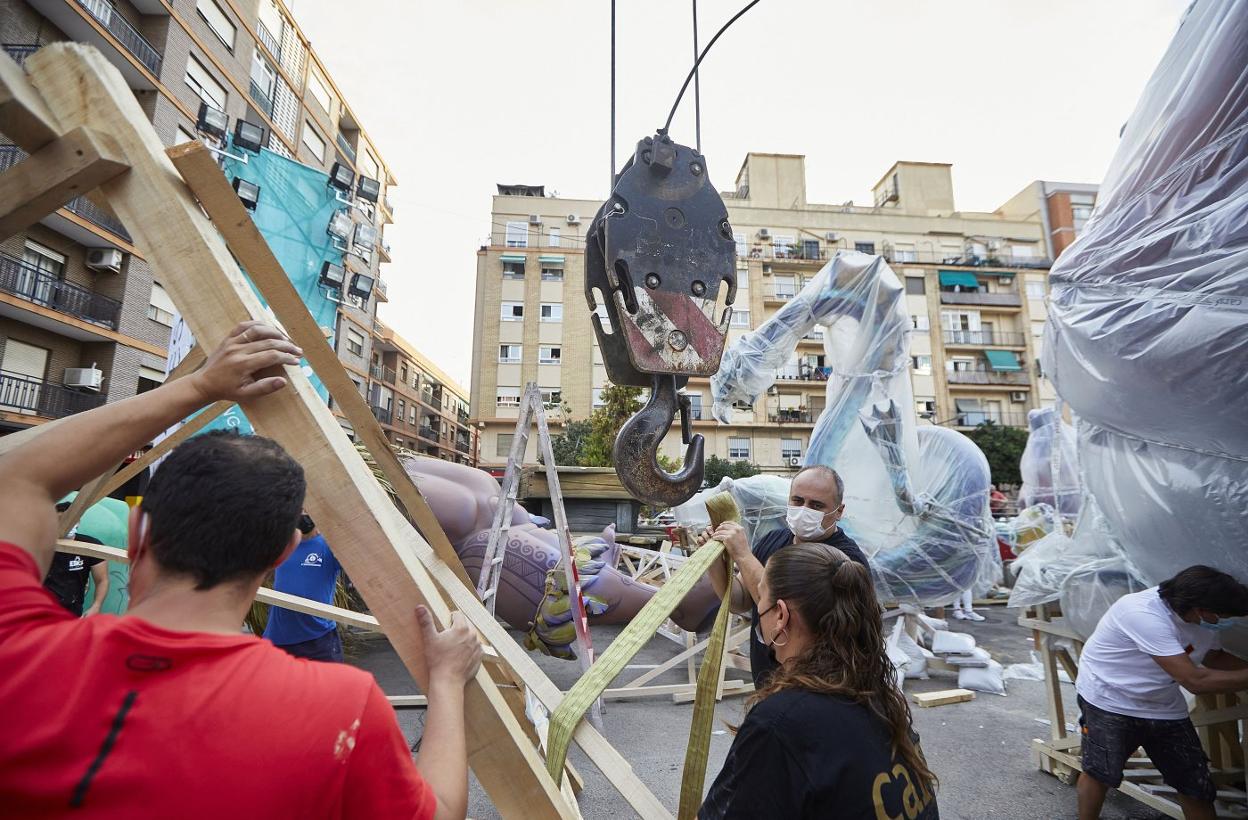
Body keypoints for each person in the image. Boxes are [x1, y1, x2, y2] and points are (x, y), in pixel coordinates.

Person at [0, 321, 481, 820]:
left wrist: (200, 387)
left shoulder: (18, 651)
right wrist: (445, 682)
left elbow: (16, 479)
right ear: (282, 552)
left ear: (138, 530)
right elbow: (440, 813)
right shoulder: (340, 712)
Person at [699, 542, 938, 819]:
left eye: (760, 595)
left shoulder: (780, 725)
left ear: (780, 615)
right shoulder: (878, 694)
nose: (757, 606)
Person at [1076, 565, 1248, 820]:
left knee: (1194, 782)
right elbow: (1195, 680)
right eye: (1220, 616)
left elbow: (1214, 657)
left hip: (1164, 703)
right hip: (1110, 699)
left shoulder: (1198, 617)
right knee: (1100, 772)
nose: (1222, 622)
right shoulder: (1141, 613)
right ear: (1200, 609)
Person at [699, 464, 870, 686]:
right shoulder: (773, 540)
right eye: (797, 501)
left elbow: (783, 613)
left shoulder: (845, 560)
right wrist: (714, 561)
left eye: (816, 505)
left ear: (839, 511)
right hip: (767, 680)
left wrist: (743, 554)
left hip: (816, 686)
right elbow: (738, 601)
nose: (804, 510)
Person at [263, 512, 344, 661]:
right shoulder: (283, 545)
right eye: (300, 508)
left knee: (327, 684)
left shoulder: (330, 547)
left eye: (308, 509)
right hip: (278, 638)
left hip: (318, 639)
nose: (303, 513)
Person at [43, 501, 109, 617]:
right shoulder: (42, 544)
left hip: (72, 609)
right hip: (42, 608)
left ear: (78, 521)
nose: (67, 524)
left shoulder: (90, 546)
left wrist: (96, 606)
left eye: (71, 520)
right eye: (61, 520)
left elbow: (102, 580)